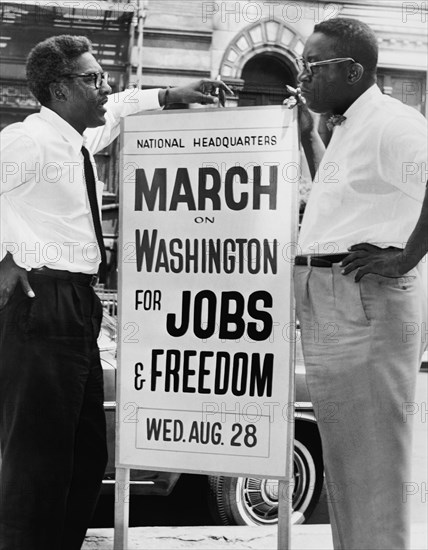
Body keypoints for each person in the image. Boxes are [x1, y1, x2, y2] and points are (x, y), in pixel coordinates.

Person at [0, 34, 231, 550]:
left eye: (104, 77)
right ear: (59, 90)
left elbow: (122, 107)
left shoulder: (77, 139)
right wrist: (5, 257)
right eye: (93, 79)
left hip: (77, 304)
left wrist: (170, 95)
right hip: (41, 304)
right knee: (36, 461)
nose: (107, 87)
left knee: (84, 457)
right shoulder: (26, 141)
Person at [291, 18, 427, 550]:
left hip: (365, 304)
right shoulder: (347, 125)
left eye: (313, 66)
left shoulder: (394, 123)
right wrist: (307, 138)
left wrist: (406, 257)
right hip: (336, 302)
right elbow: (350, 203)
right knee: (347, 467)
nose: (303, 77)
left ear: (352, 70)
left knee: (372, 469)